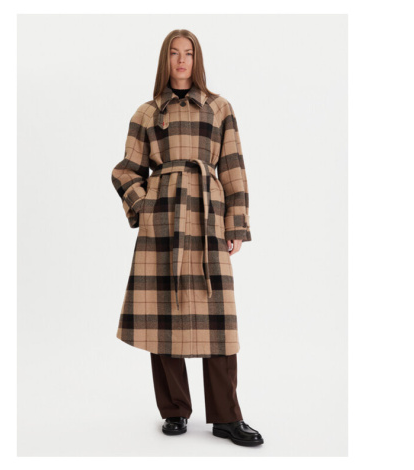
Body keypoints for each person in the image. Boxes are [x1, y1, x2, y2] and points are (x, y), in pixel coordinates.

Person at [111, 29, 263, 447]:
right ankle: (175, 410)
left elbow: (232, 166)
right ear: (165, 60)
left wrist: (236, 224)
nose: (182, 60)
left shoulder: (219, 107)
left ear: (197, 60)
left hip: (208, 216)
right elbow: (125, 171)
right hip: (162, 221)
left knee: (218, 318)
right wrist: (146, 206)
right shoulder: (147, 113)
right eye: (175, 53)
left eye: (189, 53)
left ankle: (227, 418)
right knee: (163, 314)